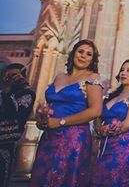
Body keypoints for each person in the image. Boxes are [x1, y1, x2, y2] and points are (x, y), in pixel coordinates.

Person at [30, 39, 103, 187]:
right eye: (80, 51)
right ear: (73, 53)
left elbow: (95, 110)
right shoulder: (60, 77)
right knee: (42, 176)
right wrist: (42, 119)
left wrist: (60, 121)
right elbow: (50, 104)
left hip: (73, 137)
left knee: (62, 178)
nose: (83, 56)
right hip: (50, 135)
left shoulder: (92, 78)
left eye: (89, 54)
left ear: (92, 60)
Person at [91, 59, 129, 186]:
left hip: (123, 145)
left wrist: (107, 130)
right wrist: (99, 128)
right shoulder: (112, 95)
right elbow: (98, 115)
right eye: (122, 70)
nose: (123, 73)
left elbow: (128, 123)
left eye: (128, 70)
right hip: (103, 145)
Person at [0, 63, 35, 187]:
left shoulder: (27, 94)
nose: (14, 78)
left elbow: (15, 114)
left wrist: (7, 92)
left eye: (15, 75)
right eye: (10, 76)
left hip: (6, 141)